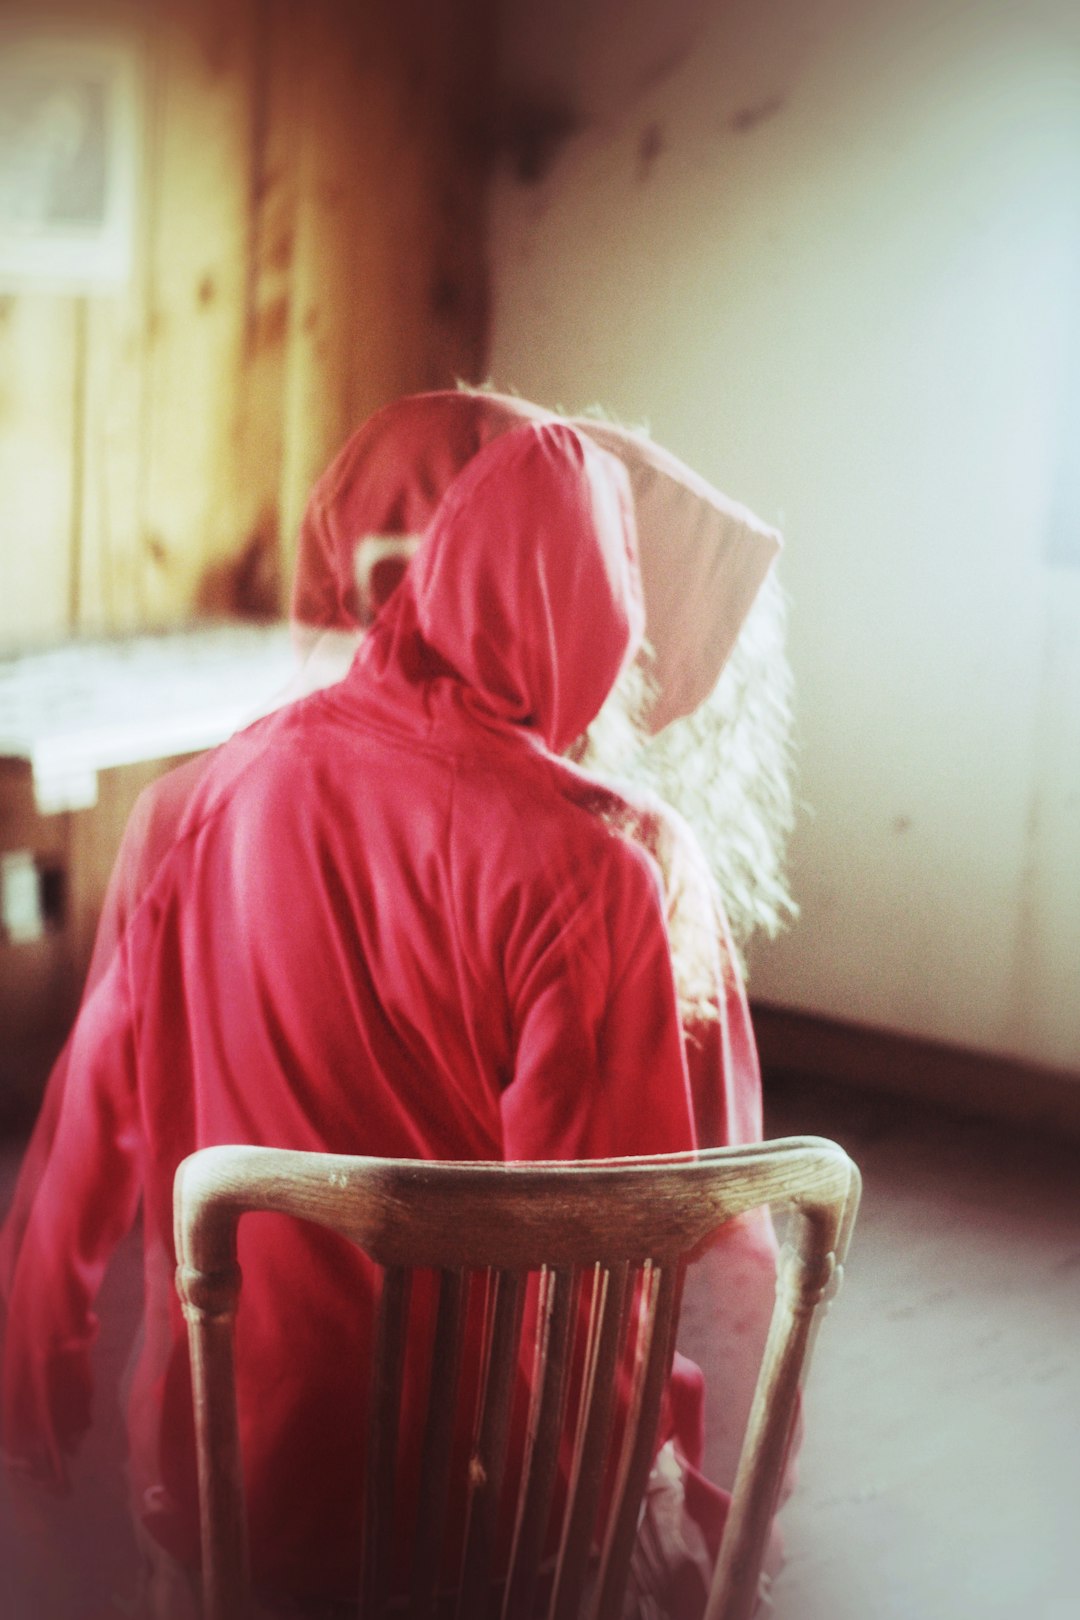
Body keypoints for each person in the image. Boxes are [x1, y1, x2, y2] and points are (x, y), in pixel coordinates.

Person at [1, 400, 790, 1616]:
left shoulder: (206, 798)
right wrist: (640, 1507)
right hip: (480, 1526)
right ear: (606, 627)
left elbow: (84, 1119)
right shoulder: (596, 870)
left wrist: (34, 1384)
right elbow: (610, 1252)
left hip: (215, 1484)